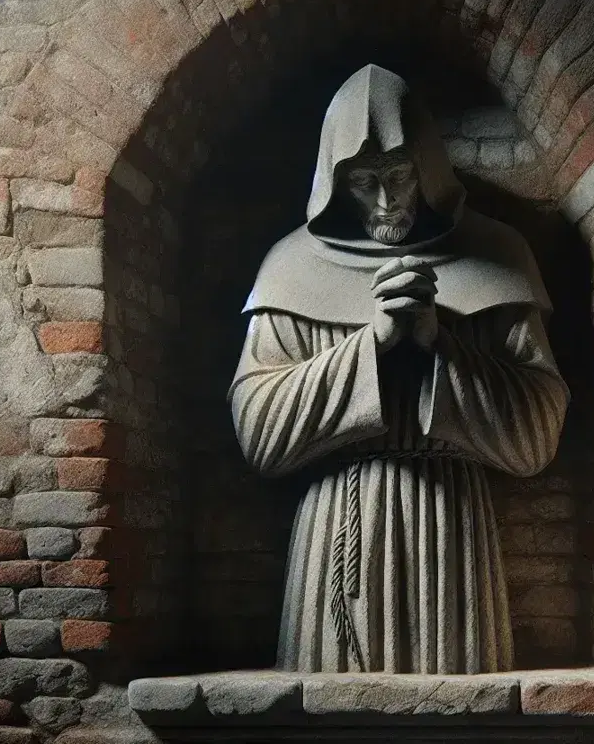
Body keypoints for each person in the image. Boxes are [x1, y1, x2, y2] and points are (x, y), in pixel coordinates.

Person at [228, 64, 570, 674]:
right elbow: (259, 433)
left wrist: (441, 343)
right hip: (339, 520)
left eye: (398, 177)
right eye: (363, 182)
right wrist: (373, 345)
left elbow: (537, 436)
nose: (384, 201)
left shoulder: (497, 255)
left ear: (428, 171)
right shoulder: (289, 267)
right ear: (337, 183)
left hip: (451, 525)